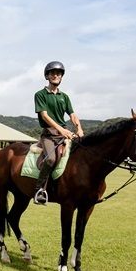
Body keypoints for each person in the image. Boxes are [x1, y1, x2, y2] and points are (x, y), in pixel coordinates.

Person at [33, 61, 84, 205]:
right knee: (50, 159)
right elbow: (44, 116)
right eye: (53, 73)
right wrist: (61, 130)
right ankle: (39, 190)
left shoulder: (65, 96)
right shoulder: (40, 94)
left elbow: (72, 115)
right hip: (49, 134)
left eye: (59, 73)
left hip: (65, 133)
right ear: (47, 76)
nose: (56, 75)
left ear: (62, 76)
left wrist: (79, 129)